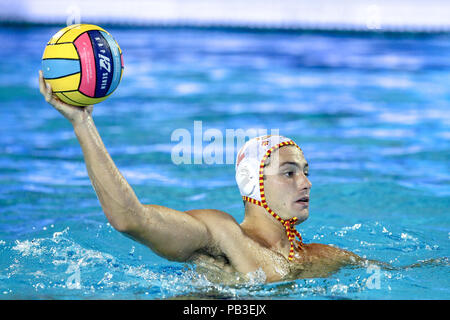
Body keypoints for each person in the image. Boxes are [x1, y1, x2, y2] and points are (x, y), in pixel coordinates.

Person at [38, 70, 363, 283]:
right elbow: (131, 220)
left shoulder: (321, 257)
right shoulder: (220, 234)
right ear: (254, 182)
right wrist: (83, 124)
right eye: (289, 173)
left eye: (306, 172)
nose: (305, 182)